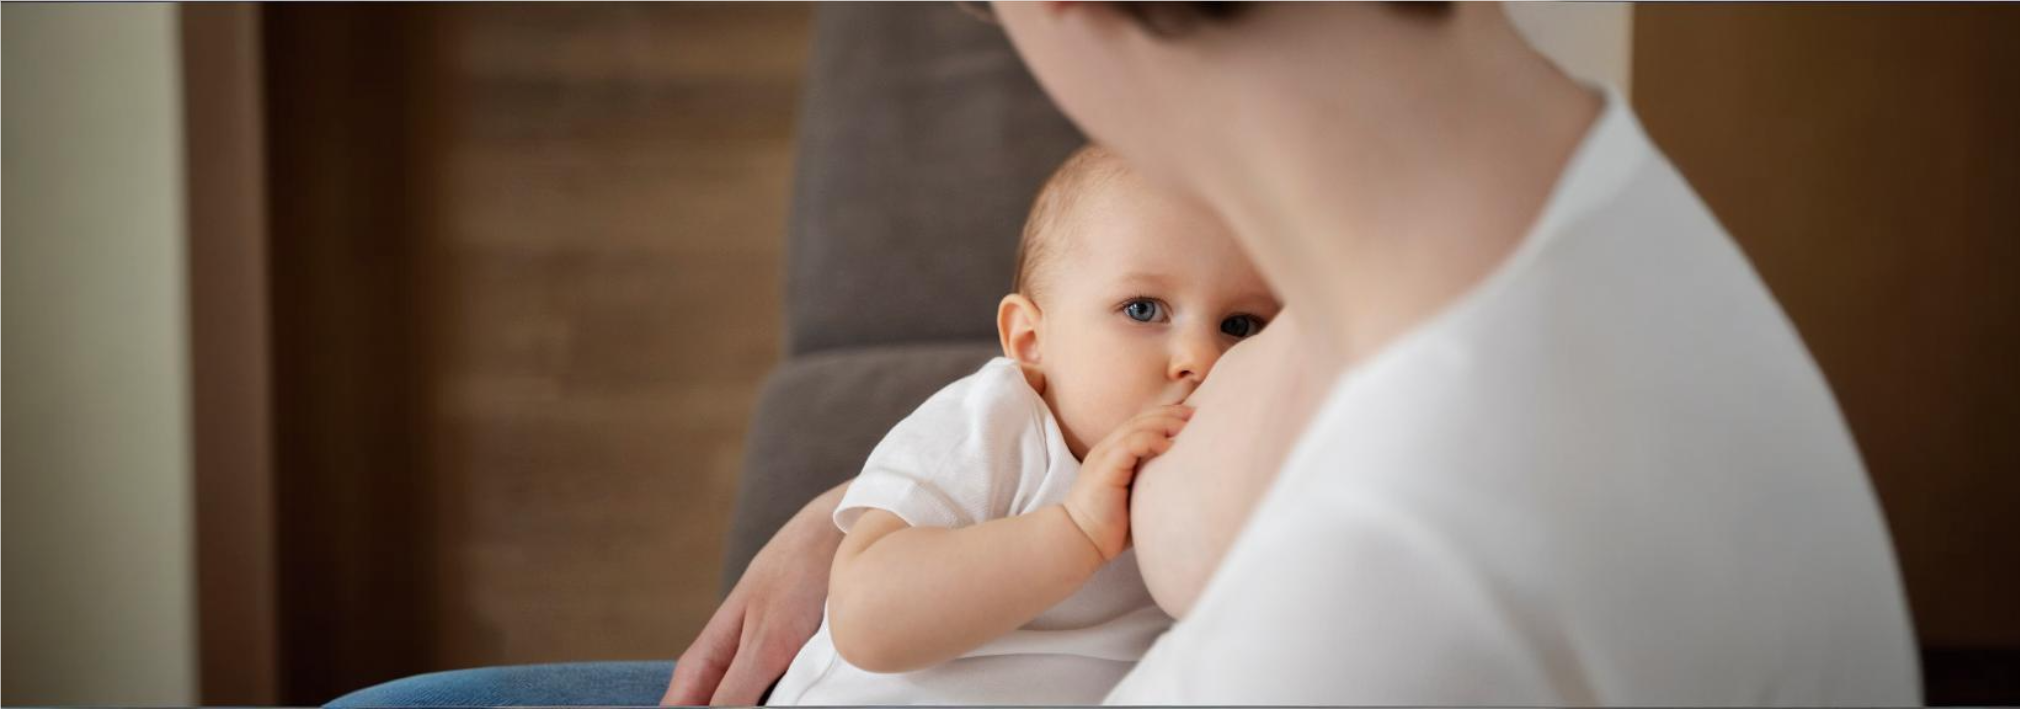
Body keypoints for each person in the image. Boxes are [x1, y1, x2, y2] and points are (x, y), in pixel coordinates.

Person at [669, 2, 1921, 706]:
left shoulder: (1371, 610)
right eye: (1147, 314)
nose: (1193, 360)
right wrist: (874, 510)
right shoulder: (1587, 207)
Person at [762, 143, 1276, 705]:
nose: (1200, 358)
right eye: (1143, 310)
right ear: (1031, 341)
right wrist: (1073, 532)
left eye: (1240, 324)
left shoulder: (1236, 475)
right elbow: (865, 620)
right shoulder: (993, 425)